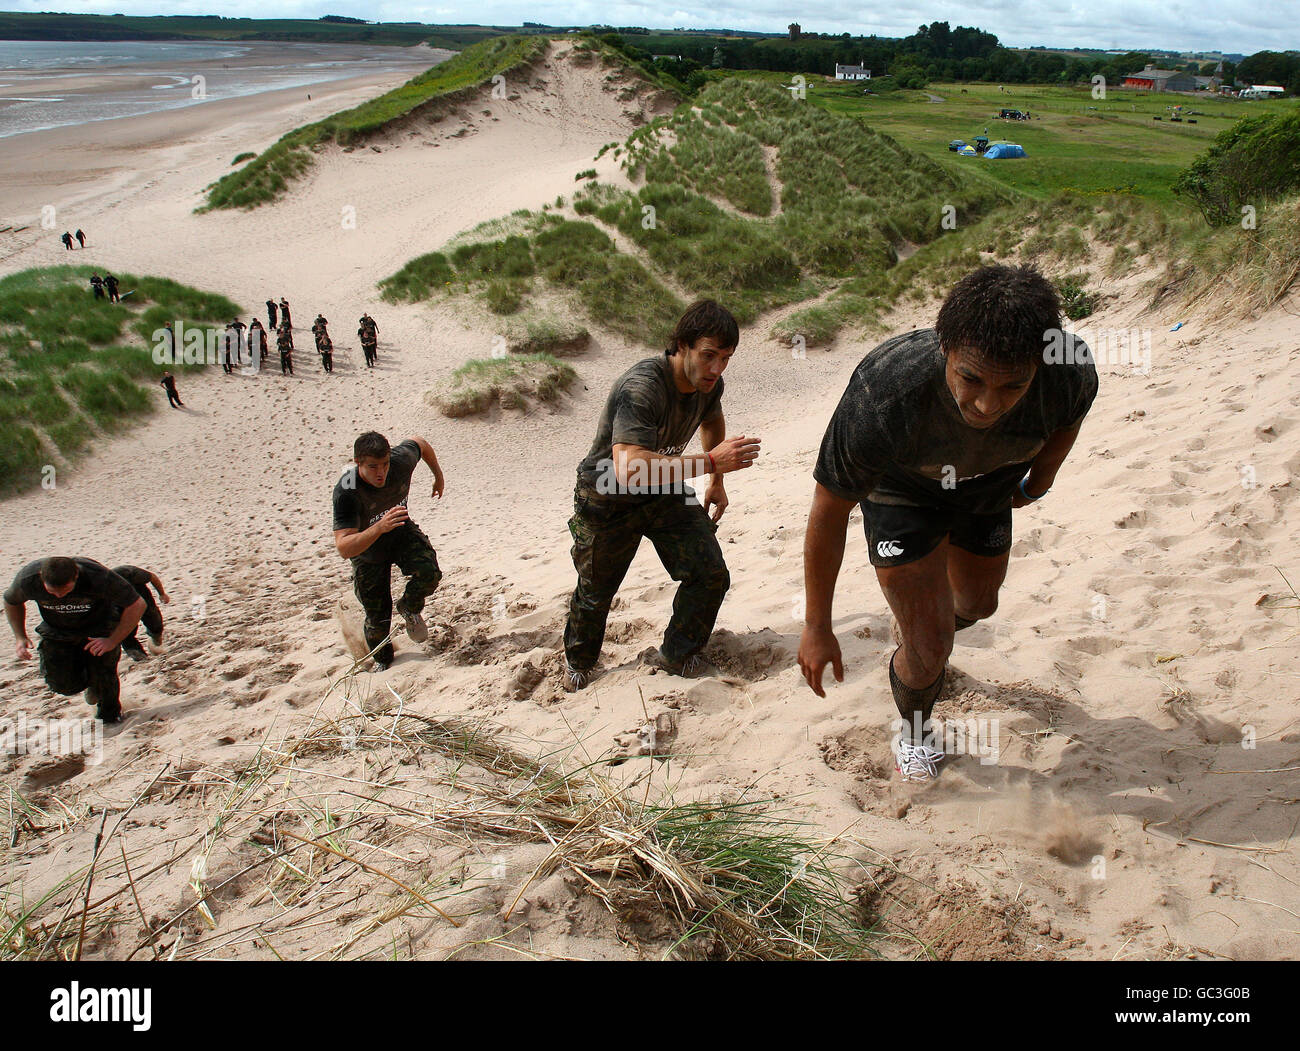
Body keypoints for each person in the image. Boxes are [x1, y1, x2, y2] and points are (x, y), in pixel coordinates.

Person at [798, 264, 1099, 783]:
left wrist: (1038, 482)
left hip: (986, 485)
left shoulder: (1066, 372)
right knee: (931, 645)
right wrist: (817, 626)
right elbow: (828, 512)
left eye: (1013, 387)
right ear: (945, 348)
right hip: (901, 490)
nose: (987, 404)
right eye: (971, 378)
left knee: (979, 605)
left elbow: (1069, 421)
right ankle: (915, 728)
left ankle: (923, 631)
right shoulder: (885, 391)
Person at [562, 299, 761, 692]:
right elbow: (630, 468)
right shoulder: (643, 386)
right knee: (596, 591)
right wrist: (709, 462)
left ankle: (677, 655)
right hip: (607, 493)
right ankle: (579, 664)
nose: (717, 368)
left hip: (663, 487)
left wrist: (717, 478)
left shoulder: (709, 383)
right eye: (709, 356)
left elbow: (712, 417)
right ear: (682, 346)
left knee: (709, 574)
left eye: (726, 357)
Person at [332, 432, 445, 670]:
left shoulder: (400, 460)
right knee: (378, 621)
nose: (381, 472)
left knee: (429, 572)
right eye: (372, 467)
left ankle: (409, 608)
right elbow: (343, 546)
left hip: (400, 533)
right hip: (367, 551)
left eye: (384, 464)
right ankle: (384, 665)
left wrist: (438, 475)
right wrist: (378, 528)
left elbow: (421, 444)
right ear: (357, 463)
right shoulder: (347, 489)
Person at [4, 556, 145, 723]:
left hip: (98, 628)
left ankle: (109, 717)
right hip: (57, 630)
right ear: (42, 577)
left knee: (104, 674)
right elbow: (11, 601)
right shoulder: (28, 579)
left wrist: (113, 640)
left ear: (76, 576)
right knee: (62, 684)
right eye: (52, 592)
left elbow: (137, 604)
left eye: (65, 590)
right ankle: (90, 682)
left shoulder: (98, 577)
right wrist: (20, 636)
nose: (58, 596)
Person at [111, 565, 169, 661]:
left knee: (155, 623)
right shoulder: (100, 589)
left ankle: (155, 638)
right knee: (125, 634)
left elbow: (152, 577)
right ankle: (140, 657)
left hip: (142, 598)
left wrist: (162, 594)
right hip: (119, 607)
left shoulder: (127, 572)